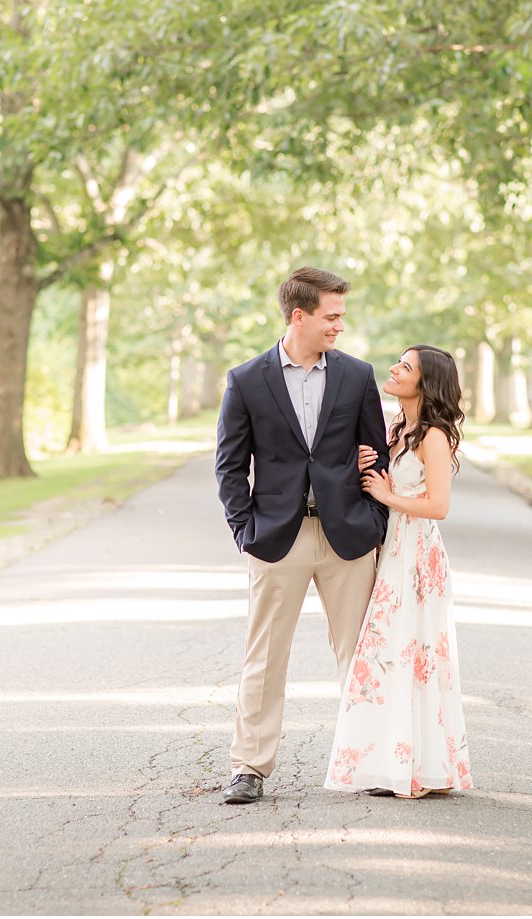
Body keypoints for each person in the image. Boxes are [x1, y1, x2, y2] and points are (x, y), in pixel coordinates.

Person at [214, 267, 391, 806]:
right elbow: (229, 466)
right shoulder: (246, 380)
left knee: (360, 654)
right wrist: (246, 530)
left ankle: (371, 760)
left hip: (347, 538)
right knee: (264, 656)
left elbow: (375, 454)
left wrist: (374, 522)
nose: (340, 325)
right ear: (300, 315)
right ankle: (250, 766)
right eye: (331, 316)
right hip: (276, 539)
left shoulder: (358, 377)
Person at [324, 345, 473, 799]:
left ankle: (422, 767)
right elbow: (384, 482)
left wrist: (389, 497)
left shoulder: (433, 436)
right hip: (392, 551)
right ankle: (393, 761)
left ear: (425, 384)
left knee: (417, 655)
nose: (393, 369)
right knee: (390, 654)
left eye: (405, 367)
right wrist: (368, 470)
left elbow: (439, 507)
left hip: (417, 558)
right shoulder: (399, 430)